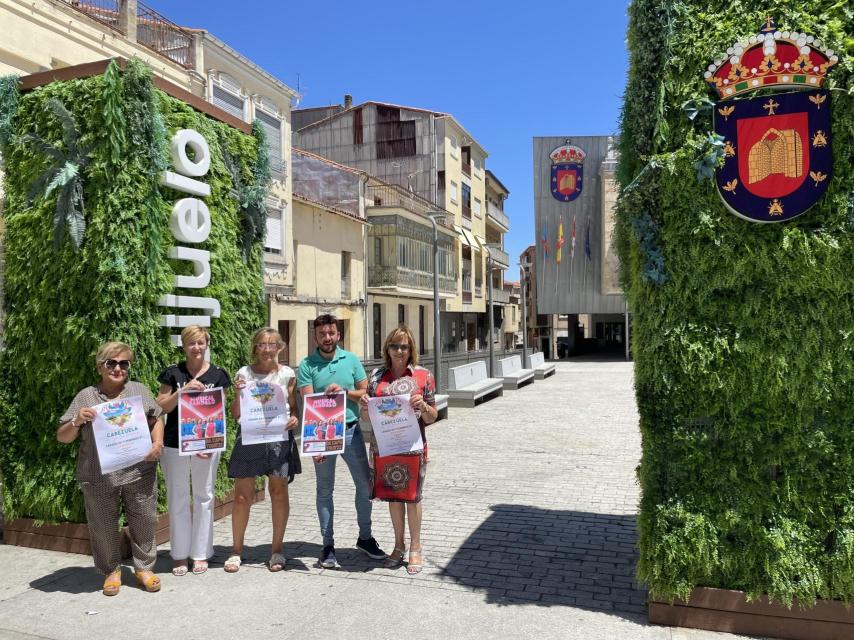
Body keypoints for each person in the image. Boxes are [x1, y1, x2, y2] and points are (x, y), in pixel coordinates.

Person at [57, 341, 165, 596]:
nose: (118, 368)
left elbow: (156, 417)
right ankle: (111, 571)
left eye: (124, 363)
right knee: (103, 525)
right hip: (98, 474)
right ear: (100, 367)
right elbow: (63, 436)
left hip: (139, 470)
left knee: (144, 520)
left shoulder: (139, 390)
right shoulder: (86, 397)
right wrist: (76, 420)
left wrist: (157, 442)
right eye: (111, 363)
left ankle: (144, 569)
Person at [297, 314, 386, 568]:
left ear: (338, 335)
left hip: (352, 430)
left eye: (331, 333)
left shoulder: (352, 360)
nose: (327, 338)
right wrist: (314, 444)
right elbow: (308, 403)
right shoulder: (307, 365)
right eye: (322, 334)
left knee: (364, 485)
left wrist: (345, 392)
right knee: (325, 490)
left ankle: (365, 537)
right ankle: (327, 546)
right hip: (323, 434)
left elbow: (365, 392)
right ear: (316, 336)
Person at [360, 325, 437, 574]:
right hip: (385, 446)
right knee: (393, 496)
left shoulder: (423, 376)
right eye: (395, 345)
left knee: (413, 498)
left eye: (404, 346)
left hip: (413, 447)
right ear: (387, 349)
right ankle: (398, 546)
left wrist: (424, 406)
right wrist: (364, 405)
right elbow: (367, 417)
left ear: (411, 349)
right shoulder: (376, 376)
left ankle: (415, 547)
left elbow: (433, 417)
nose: (400, 350)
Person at [156, 325, 231, 576]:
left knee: (204, 496)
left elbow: (220, 414)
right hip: (174, 443)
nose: (196, 348)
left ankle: (200, 553)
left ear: (206, 344)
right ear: (184, 345)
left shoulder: (219, 375)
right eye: (191, 343)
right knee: (177, 497)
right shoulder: (172, 373)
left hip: (206, 445)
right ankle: (179, 555)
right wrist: (182, 391)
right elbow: (161, 407)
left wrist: (210, 442)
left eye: (200, 342)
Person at [225, 327, 299, 573]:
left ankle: (277, 550)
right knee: (242, 496)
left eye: (272, 344)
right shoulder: (244, 373)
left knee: (278, 492)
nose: (267, 349)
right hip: (249, 437)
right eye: (262, 345)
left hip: (279, 439)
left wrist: (294, 420)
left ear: (280, 347)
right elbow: (235, 413)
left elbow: (293, 409)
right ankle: (236, 551)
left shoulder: (288, 374)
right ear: (255, 347)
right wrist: (237, 393)